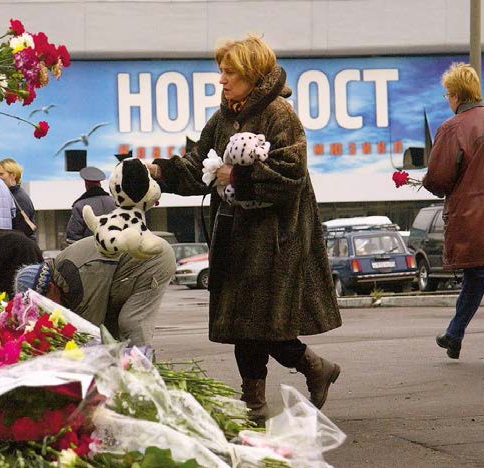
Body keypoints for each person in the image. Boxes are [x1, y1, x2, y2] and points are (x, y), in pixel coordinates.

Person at [146, 35, 342, 414]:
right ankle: (281, 387)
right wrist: (158, 172)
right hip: (235, 237)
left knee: (263, 325)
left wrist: (237, 176)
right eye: (221, 71)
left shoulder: (280, 114)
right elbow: (198, 166)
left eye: (229, 72)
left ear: (251, 74)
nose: (221, 80)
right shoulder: (222, 118)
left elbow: (291, 173)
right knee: (244, 324)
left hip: (275, 241)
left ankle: (281, 388)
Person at [423, 63, 484, 364]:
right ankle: (454, 334)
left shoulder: (453, 128)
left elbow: (439, 178)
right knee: (474, 277)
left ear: (456, 95)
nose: (447, 100)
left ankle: (454, 333)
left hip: (474, 219)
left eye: (447, 95)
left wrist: (426, 182)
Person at [14, 236, 175, 347]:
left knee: (132, 322)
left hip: (152, 259)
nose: (47, 312)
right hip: (123, 271)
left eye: (44, 304)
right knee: (112, 334)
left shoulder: (79, 275)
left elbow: (90, 330)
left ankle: (145, 374)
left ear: (50, 287)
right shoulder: (61, 277)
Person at [65, 166, 116, 245]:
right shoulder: (115, 201)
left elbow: (73, 237)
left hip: (90, 251)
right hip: (115, 249)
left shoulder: (80, 206)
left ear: (86, 184)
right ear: (100, 183)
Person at [0, 158, 38, 240]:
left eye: (1, 174)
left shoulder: (18, 198)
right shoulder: (14, 194)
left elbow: (21, 230)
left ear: (13, 176)